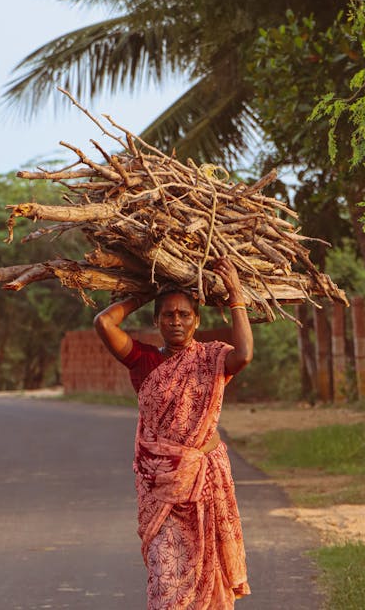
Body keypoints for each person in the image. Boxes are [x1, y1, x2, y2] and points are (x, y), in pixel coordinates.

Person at [94, 256, 253, 609]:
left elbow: (244, 354)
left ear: (197, 320)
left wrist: (234, 294)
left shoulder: (212, 358)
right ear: (156, 320)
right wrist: (147, 290)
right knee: (167, 581)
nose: (176, 321)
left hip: (203, 485)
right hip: (161, 490)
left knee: (208, 576)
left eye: (184, 315)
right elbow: (104, 322)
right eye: (168, 315)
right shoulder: (143, 360)